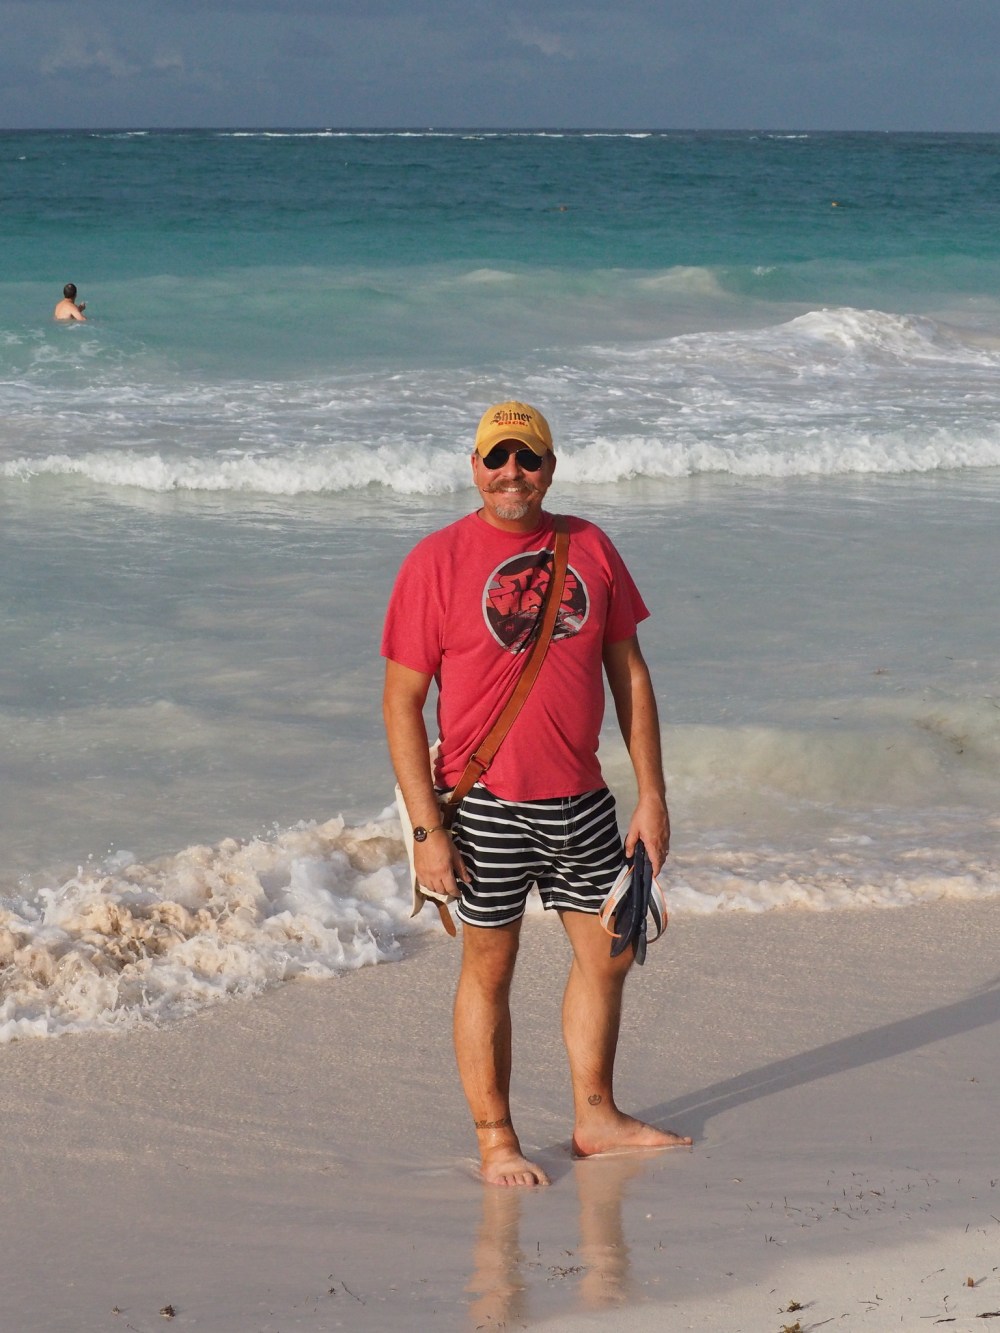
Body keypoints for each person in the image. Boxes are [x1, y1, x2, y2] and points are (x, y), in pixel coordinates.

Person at [382, 400, 691, 1188]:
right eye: (497, 458)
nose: (511, 472)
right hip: (483, 804)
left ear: (550, 467)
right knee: (490, 967)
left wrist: (652, 795)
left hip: (582, 799)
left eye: (527, 457)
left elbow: (630, 675)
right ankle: (496, 1139)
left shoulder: (590, 546)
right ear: (474, 467)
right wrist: (427, 830)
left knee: (610, 953)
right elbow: (400, 702)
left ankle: (596, 1116)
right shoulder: (436, 560)